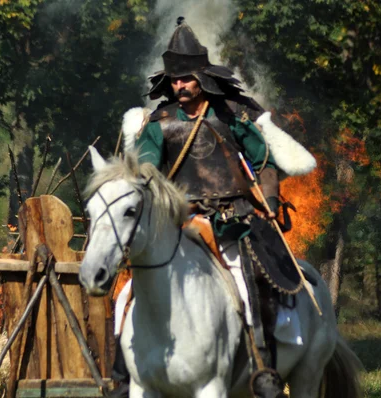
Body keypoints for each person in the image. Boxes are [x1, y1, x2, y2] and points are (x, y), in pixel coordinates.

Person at [112, 18, 317, 398]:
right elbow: (145, 172)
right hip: (181, 226)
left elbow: (265, 161)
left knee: (251, 282)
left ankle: (263, 368)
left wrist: (269, 204)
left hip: (232, 224)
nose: (179, 85)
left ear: (202, 77)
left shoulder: (230, 117)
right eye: (174, 80)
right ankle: (124, 376)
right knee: (127, 294)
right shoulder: (159, 123)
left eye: (186, 78)